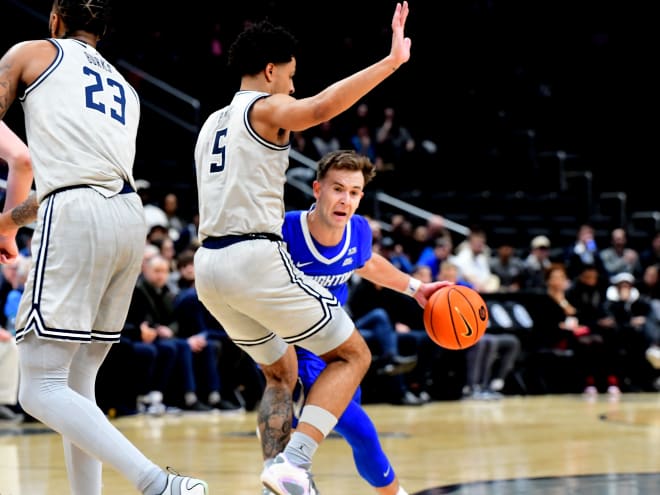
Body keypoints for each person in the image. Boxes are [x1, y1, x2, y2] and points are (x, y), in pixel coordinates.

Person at [192, 4, 414, 494]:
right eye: (290, 77)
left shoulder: (210, 124)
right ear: (270, 70)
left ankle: (280, 472)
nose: (292, 86)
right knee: (353, 355)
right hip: (252, 256)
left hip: (207, 267)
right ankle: (296, 459)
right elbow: (316, 110)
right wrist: (390, 62)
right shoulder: (264, 107)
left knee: (279, 372)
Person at [0, 3, 207, 494]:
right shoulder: (126, 90)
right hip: (126, 216)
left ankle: (159, 483)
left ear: (54, 20)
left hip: (76, 213)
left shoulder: (32, 52)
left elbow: (50, 174)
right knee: (77, 384)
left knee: (38, 387)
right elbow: (75, 175)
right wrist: (9, 221)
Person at [275, 150, 448, 494]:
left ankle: (286, 474)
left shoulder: (358, 230)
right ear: (317, 189)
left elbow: (366, 263)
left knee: (328, 429)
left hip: (338, 344)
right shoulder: (286, 228)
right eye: (337, 189)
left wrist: (416, 288)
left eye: (354, 192)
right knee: (362, 432)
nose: (345, 199)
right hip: (295, 347)